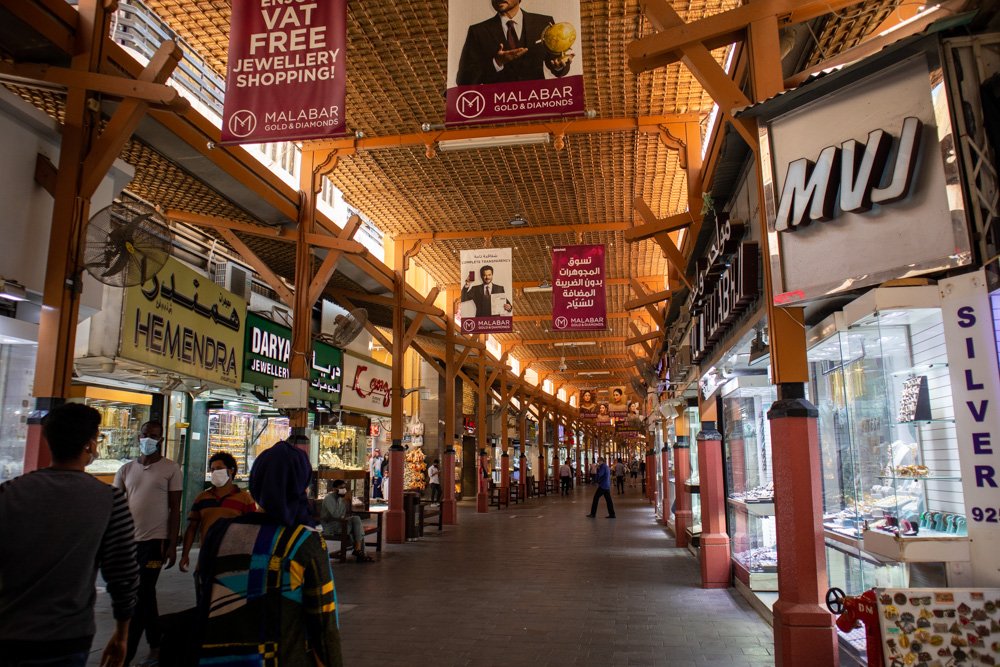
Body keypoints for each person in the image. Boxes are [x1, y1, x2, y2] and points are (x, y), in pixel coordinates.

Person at [0, 403, 139, 667]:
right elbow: (123, 573)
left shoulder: (9, 492)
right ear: (90, 445)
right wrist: (123, 632)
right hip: (68, 636)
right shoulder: (109, 499)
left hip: (10, 633)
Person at [196, 441, 343, 664]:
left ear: (256, 482)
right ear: (301, 485)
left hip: (216, 658)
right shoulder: (304, 543)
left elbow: (204, 593)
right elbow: (324, 625)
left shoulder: (219, 533)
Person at [113, 420, 182, 667]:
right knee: (144, 594)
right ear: (138, 436)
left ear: (161, 440)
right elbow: (116, 506)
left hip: (155, 542)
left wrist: (172, 543)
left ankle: (128, 650)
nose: (148, 439)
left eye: (154, 435)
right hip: (129, 541)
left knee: (142, 591)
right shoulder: (125, 470)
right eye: (145, 434)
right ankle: (156, 642)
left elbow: (175, 509)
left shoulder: (171, 469)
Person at [456, 0, 574, 86]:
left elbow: (556, 63)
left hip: (536, 104)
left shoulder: (542, 23)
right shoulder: (478, 31)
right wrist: (497, 62)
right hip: (498, 109)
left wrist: (559, 66)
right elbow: (463, 80)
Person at [178, 451, 256, 573]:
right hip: (206, 559)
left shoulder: (245, 499)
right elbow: (192, 528)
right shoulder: (202, 498)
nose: (215, 472)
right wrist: (185, 555)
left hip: (233, 560)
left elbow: (252, 529)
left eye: (219, 468)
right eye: (212, 469)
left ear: (231, 470)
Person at [321, 479, 373, 563]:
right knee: (357, 528)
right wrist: (345, 501)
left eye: (344, 487)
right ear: (334, 489)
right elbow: (336, 515)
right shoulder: (329, 499)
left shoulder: (340, 499)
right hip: (331, 526)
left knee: (356, 521)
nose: (344, 489)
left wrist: (345, 503)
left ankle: (358, 550)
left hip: (341, 524)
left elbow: (343, 515)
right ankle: (360, 553)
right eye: (341, 488)